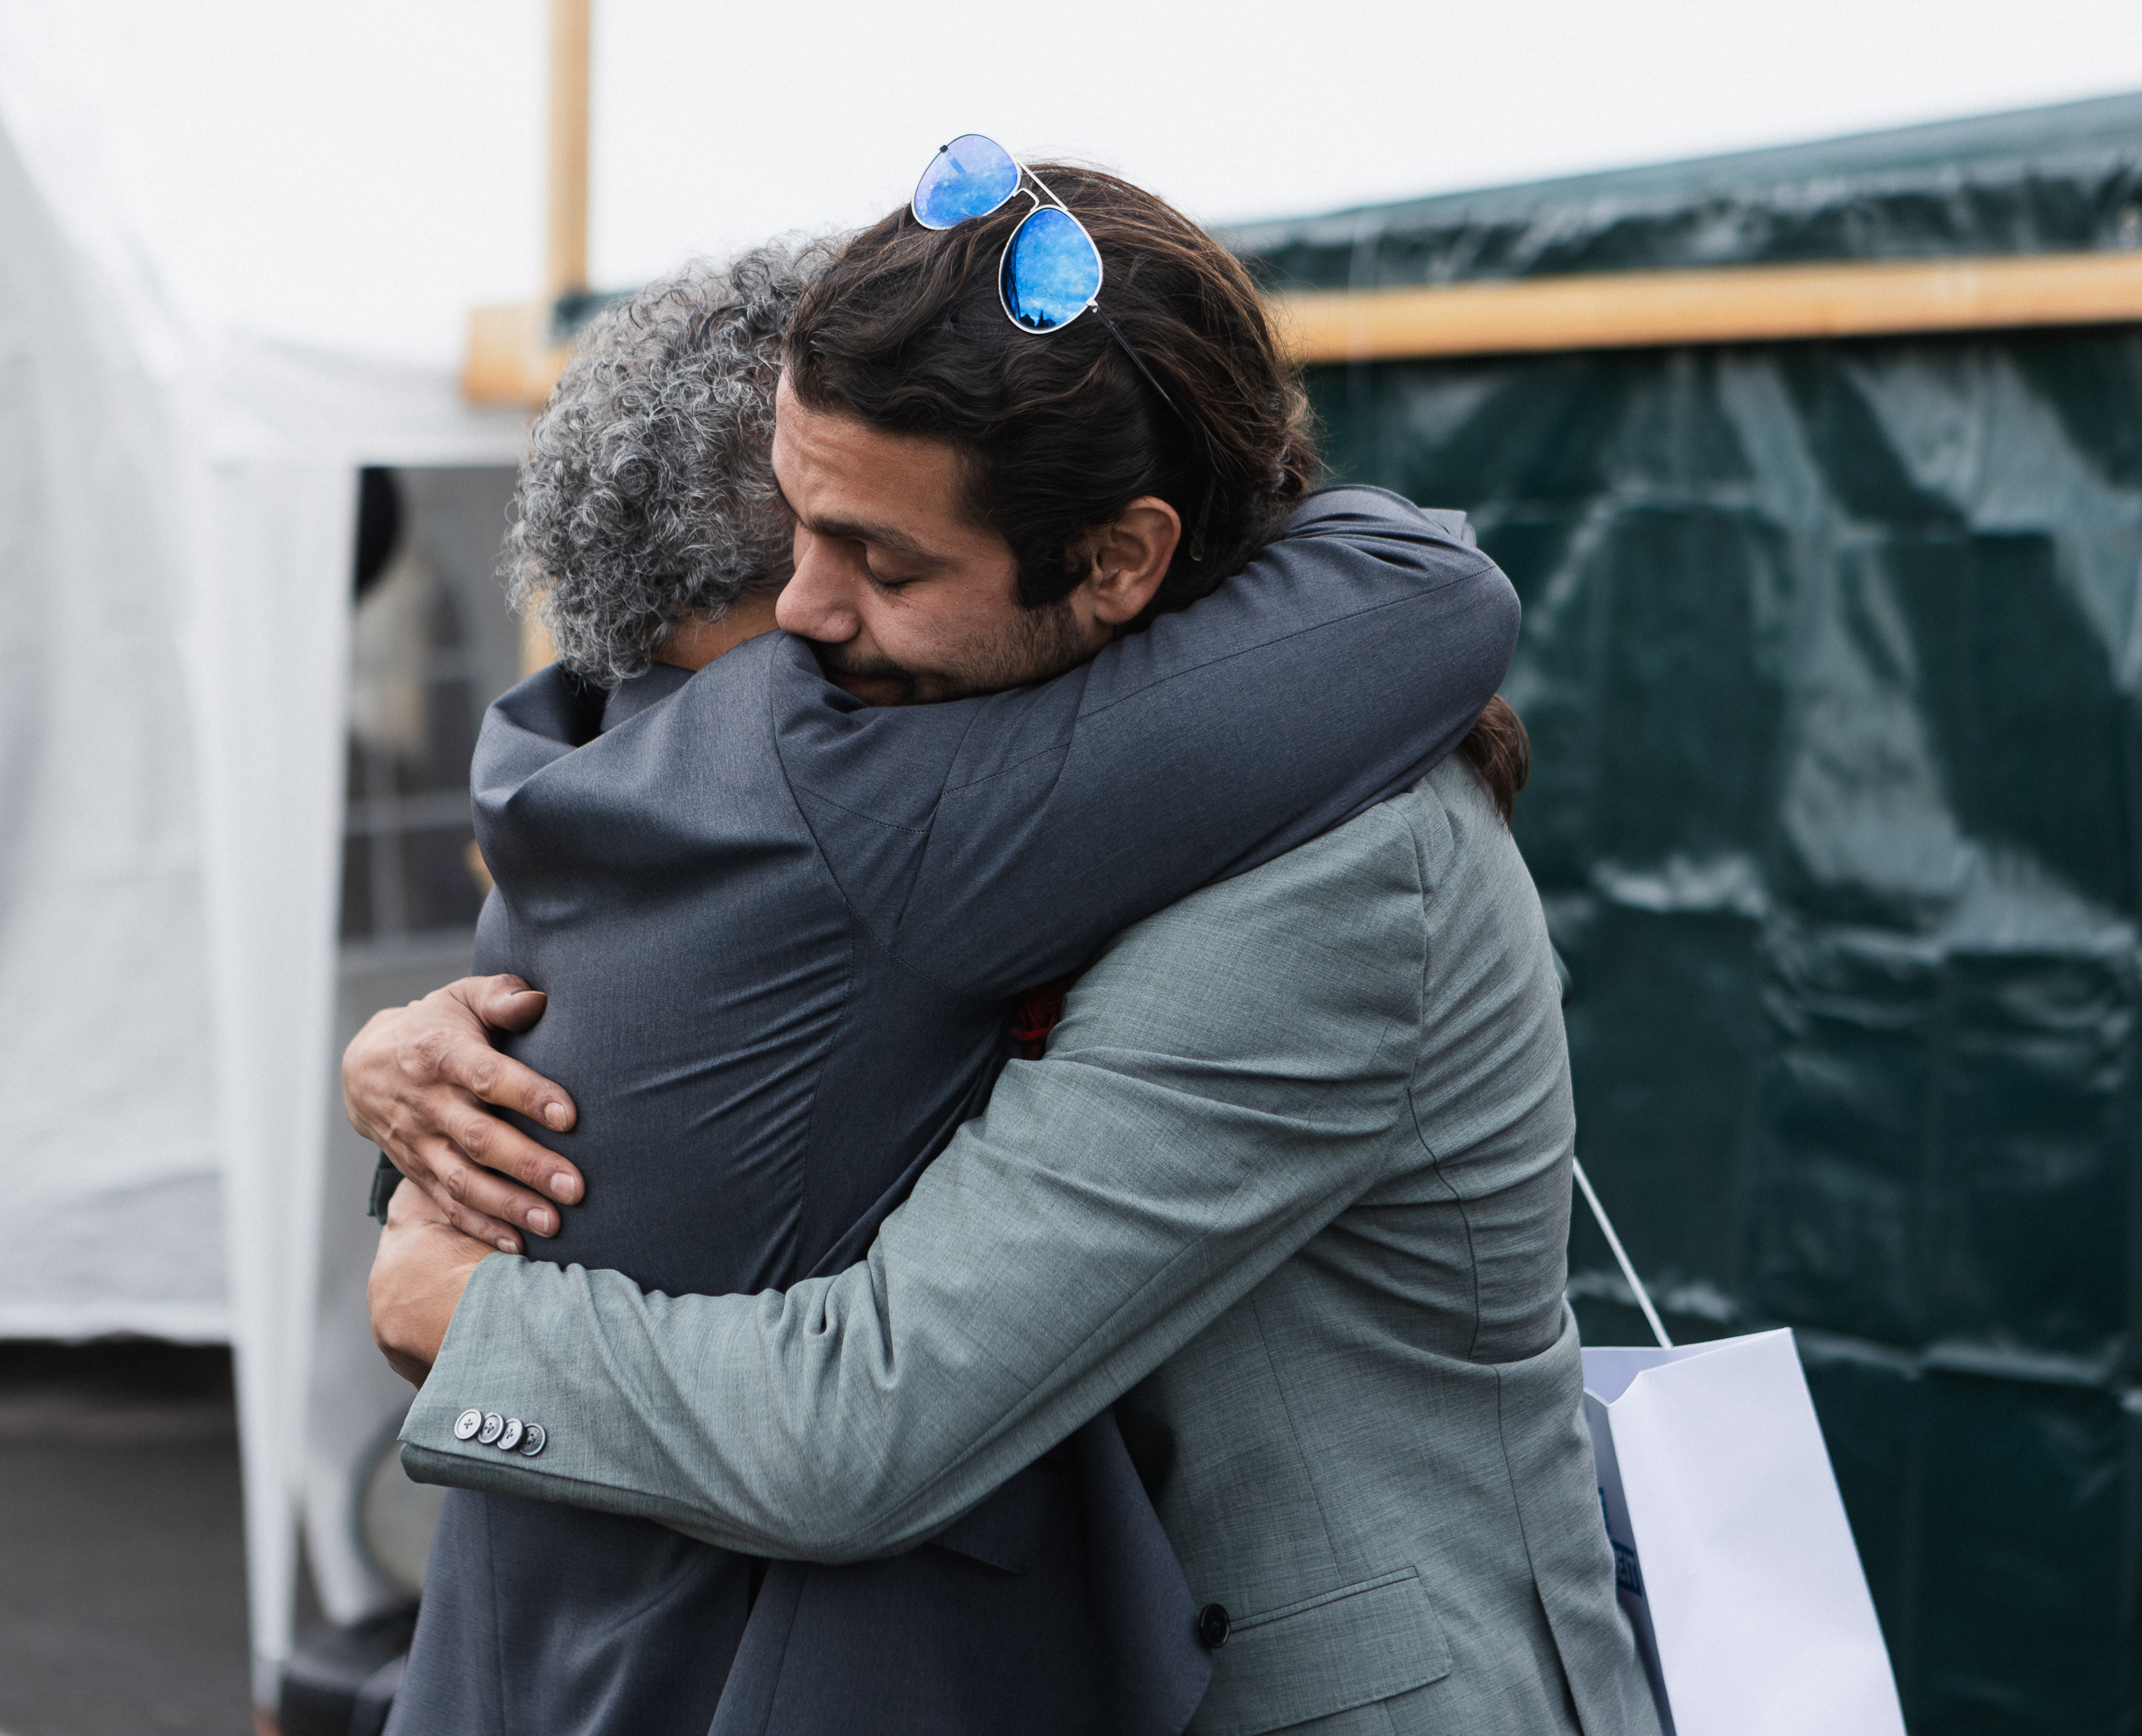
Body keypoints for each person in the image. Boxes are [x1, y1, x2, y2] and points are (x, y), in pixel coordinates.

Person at [359, 148, 1659, 1736]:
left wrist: (465, 1315)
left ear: (1118, 561)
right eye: (801, 532)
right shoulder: (1041, 746)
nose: (805, 621)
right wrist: (441, 1079)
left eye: (887, 563)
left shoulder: (1338, 874)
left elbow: (872, 1416)